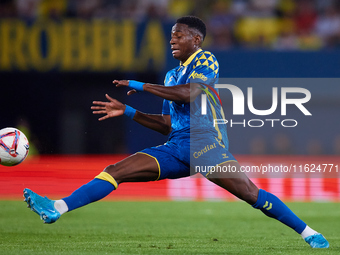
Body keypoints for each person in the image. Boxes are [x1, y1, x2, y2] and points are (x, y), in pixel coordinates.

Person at [24, 16, 329, 249]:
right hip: (177, 146)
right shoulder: (171, 74)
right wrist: (129, 111)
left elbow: (189, 94)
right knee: (115, 170)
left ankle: (309, 233)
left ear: (196, 39)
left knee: (251, 194)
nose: (172, 41)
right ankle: (57, 208)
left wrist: (140, 86)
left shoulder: (206, 60)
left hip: (205, 143)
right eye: (171, 36)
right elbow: (170, 124)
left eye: (178, 36)